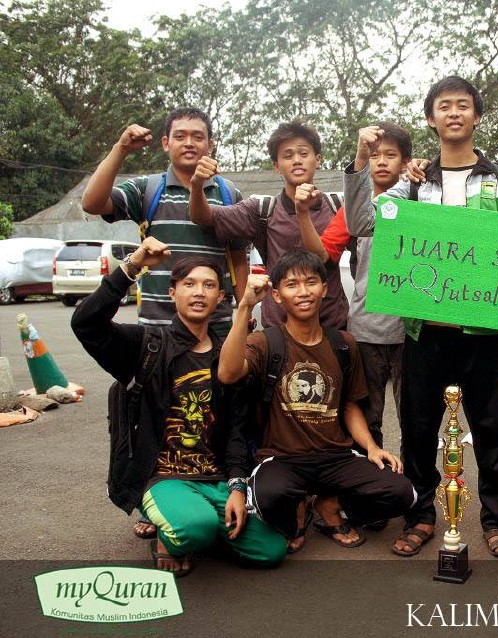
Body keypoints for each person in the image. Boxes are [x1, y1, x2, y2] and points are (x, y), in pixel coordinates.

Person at [344, 76, 498, 559]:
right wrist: (359, 160)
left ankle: (492, 519)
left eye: (463, 105)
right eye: (444, 106)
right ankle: (420, 516)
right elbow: (361, 223)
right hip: (425, 334)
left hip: (483, 335)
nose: (454, 113)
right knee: (418, 432)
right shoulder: (413, 184)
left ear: (477, 116)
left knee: (492, 432)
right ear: (431, 118)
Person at [71, 237, 288, 576]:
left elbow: (236, 429)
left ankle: (194, 526)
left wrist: (236, 486)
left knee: (271, 549)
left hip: (213, 480)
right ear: (172, 293)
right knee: (193, 527)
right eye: (189, 284)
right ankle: (173, 534)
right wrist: (132, 266)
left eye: (209, 285)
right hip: (161, 477)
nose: (199, 292)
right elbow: (85, 323)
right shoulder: (146, 346)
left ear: (221, 298)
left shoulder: (228, 359)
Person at [218, 249, 415, 554]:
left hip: (335, 457)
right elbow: (228, 373)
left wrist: (371, 447)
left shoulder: (343, 344)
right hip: (282, 458)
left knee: (401, 492)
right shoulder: (266, 342)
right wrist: (245, 306)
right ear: (277, 295)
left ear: (324, 289)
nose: (303, 292)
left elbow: (349, 404)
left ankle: (329, 504)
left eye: (310, 282)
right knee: (268, 498)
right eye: (292, 285)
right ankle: (296, 506)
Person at [81, 107, 247, 336]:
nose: (189, 143)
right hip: (157, 328)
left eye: (198, 137)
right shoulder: (146, 189)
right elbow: (91, 204)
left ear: (210, 145)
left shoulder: (229, 194)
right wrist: (120, 149)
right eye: (180, 136)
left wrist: (246, 316)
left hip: (216, 328)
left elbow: (239, 261)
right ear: (166, 143)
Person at [188, 119, 350, 330]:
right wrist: (197, 185)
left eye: (303, 153)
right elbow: (204, 217)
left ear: (317, 159)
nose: (297, 161)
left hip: (333, 327)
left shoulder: (339, 206)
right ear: (276, 166)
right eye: (288, 156)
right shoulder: (262, 209)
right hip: (279, 329)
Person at [345, 122, 411, 451]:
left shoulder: (418, 196)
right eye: (374, 156)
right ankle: (371, 477)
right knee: (369, 417)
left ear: (406, 161)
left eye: (390, 155)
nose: (381, 161)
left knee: (412, 416)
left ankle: (412, 479)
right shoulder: (359, 209)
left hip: (408, 329)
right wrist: (359, 155)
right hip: (366, 328)